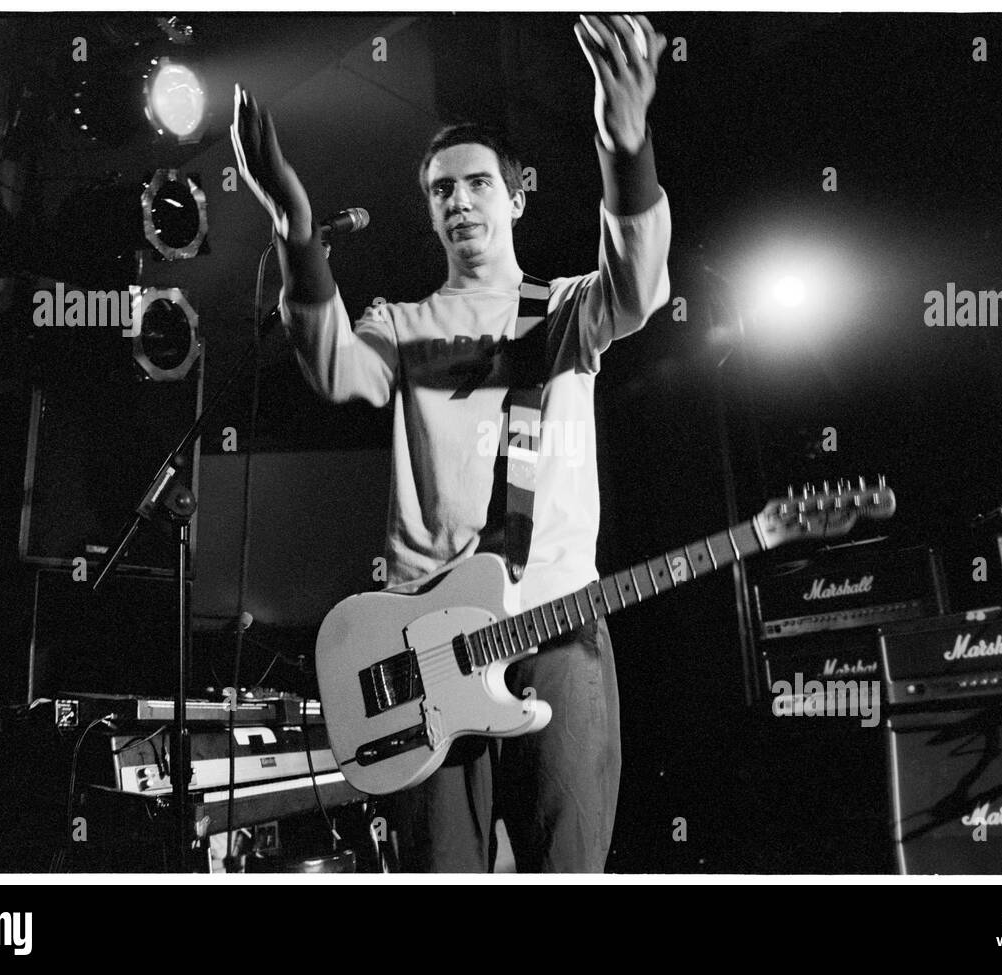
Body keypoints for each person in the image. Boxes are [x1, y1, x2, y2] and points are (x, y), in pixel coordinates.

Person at [232, 13, 670, 872]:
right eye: (441, 190)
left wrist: (624, 142)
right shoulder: (400, 323)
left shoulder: (566, 308)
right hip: (425, 641)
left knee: (566, 862)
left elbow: (640, 285)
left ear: (516, 195)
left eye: (476, 183)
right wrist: (292, 225)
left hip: (555, 625)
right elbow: (335, 370)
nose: (459, 201)